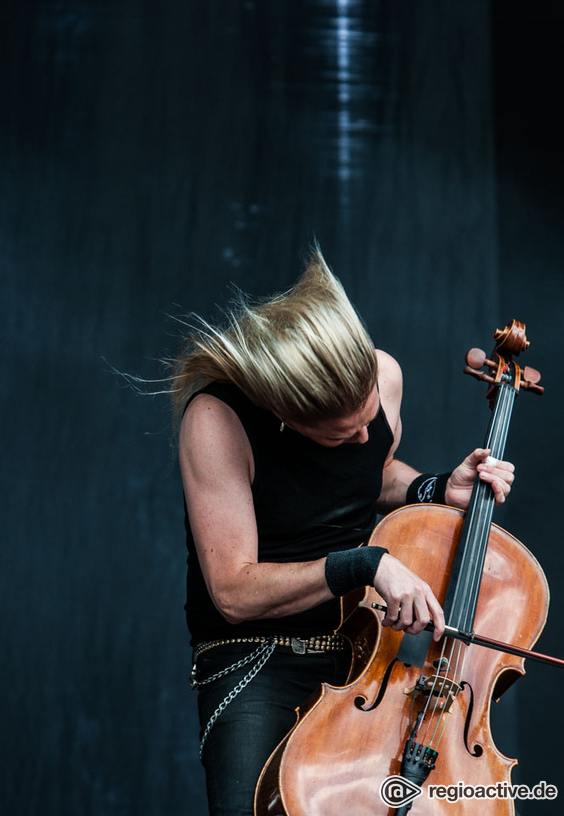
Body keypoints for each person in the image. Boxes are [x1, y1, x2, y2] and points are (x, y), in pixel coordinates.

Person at [172, 250, 514, 816]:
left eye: (368, 419)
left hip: (364, 651)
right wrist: (363, 564)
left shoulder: (386, 374)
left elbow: (369, 472)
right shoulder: (218, 420)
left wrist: (434, 488)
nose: (362, 437)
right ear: (286, 414)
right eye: (337, 435)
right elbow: (234, 591)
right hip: (255, 658)